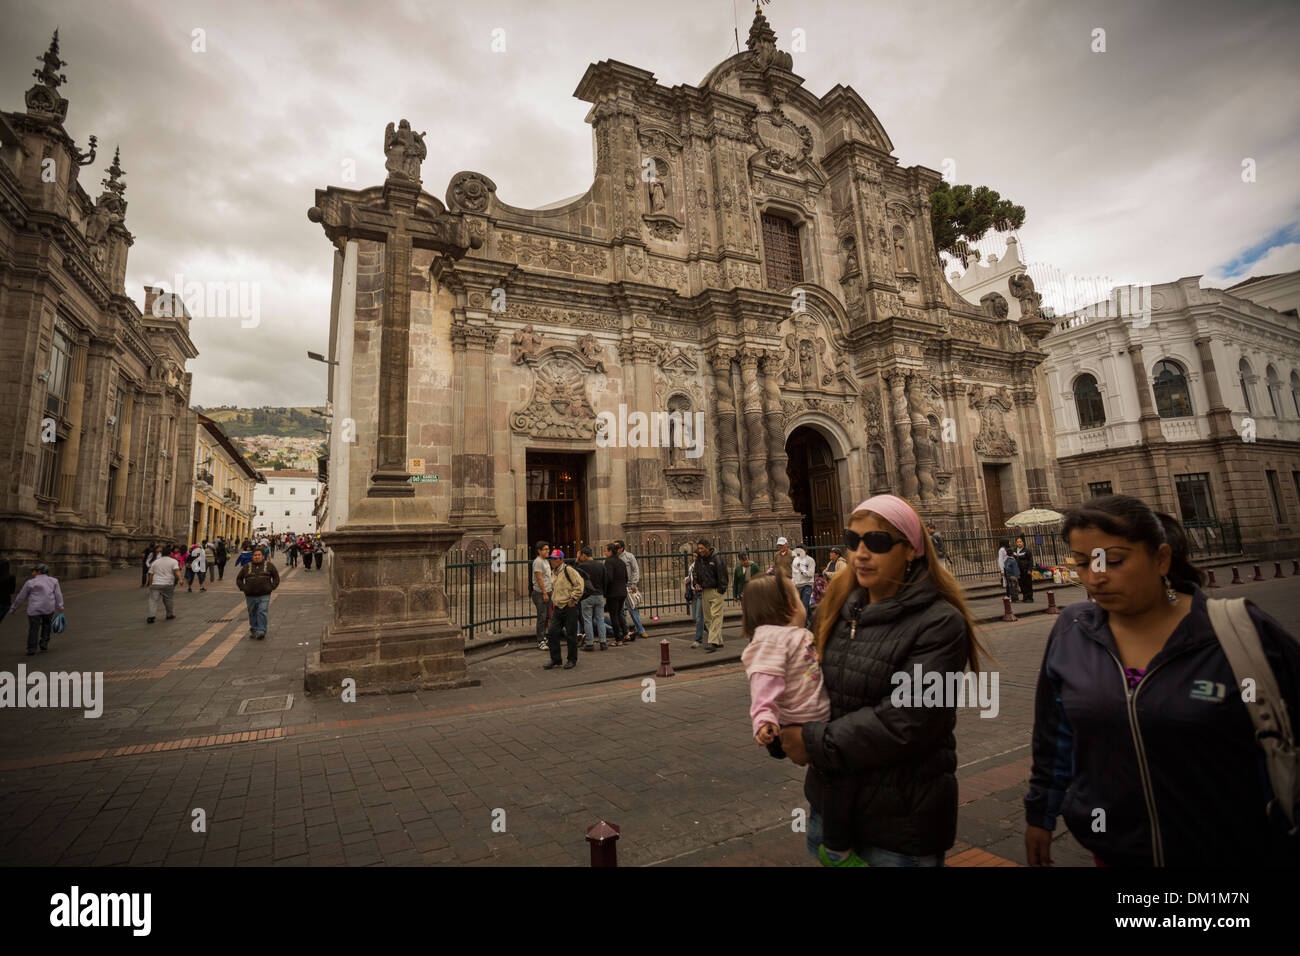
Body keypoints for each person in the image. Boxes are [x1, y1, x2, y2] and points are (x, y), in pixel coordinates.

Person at [1025, 495, 1300, 867]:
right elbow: (1054, 735)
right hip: (1116, 850)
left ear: (1161, 559)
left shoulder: (1238, 631)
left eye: (1114, 561)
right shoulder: (1072, 630)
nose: (1095, 577)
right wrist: (1041, 814)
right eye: (1081, 563)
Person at [779, 494, 986, 866]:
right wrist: (779, 726)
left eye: (876, 542)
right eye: (853, 540)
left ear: (910, 550)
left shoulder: (941, 623)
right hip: (831, 809)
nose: (860, 552)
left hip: (900, 821)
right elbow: (807, 686)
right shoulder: (835, 611)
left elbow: (912, 721)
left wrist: (808, 742)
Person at [741, 570, 863, 866]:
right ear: (789, 607)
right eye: (797, 597)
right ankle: (836, 850)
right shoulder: (772, 639)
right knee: (836, 783)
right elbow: (763, 684)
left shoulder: (796, 634)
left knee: (833, 780)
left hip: (818, 722)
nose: (803, 602)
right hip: (806, 724)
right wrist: (765, 720)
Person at [7, 563, 65, 655]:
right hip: (48, 607)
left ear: (39, 571)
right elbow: (58, 594)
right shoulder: (54, 581)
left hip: (34, 609)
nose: (32, 572)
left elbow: (21, 596)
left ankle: (31, 648)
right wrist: (60, 606)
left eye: (33, 571)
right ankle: (44, 643)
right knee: (47, 625)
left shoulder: (30, 582)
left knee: (33, 629)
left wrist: (14, 608)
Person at [543, 549, 583, 670]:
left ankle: (572, 659)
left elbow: (579, 586)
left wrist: (573, 599)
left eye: (555, 559)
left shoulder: (568, 570)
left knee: (571, 635)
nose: (552, 561)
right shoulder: (553, 572)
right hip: (558, 607)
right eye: (551, 559)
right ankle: (555, 659)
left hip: (569, 607)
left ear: (561, 559)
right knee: (552, 633)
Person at [236, 546, 280, 640]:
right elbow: (239, 579)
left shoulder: (269, 566)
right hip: (250, 595)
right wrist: (244, 588)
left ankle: (261, 631)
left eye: (259, 555)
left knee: (262, 612)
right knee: (252, 613)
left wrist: (271, 587)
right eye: (255, 555)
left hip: (264, 594)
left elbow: (276, 577)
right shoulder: (247, 566)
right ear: (252, 556)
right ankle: (254, 629)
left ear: (262, 556)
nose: (257, 557)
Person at [693, 538, 728, 654]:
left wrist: (721, 590)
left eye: (702, 548)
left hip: (715, 590)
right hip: (704, 591)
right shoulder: (699, 559)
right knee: (708, 618)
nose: (700, 551)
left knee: (716, 616)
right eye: (699, 549)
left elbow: (723, 574)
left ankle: (712, 642)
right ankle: (718, 640)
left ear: (708, 548)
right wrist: (696, 582)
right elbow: (695, 573)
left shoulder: (717, 558)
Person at [577, 545, 609, 651]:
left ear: (584, 556)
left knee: (587, 620)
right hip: (599, 595)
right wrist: (603, 592)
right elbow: (606, 580)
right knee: (600, 619)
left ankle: (590, 643)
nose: (580, 557)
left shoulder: (582, 566)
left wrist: (577, 561)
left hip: (587, 596)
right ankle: (603, 642)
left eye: (581, 556)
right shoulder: (601, 565)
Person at [616, 540, 648, 641]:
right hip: (618, 587)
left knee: (633, 609)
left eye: (616, 547)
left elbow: (635, 570)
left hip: (628, 586)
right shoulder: (613, 557)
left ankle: (641, 629)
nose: (614, 549)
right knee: (620, 611)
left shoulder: (629, 556)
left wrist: (634, 583)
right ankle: (626, 631)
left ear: (622, 548)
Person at [145, 546, 181, 624]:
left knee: (153, 600)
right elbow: (176, 571)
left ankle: (151, 616)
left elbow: (150, 573)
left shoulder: (155, 562)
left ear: (161, 553)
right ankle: (169, 614)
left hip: (156, 583)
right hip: (168, 583)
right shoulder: (173, 561)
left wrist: (150, 583)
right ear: (169, 553)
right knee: (168, 599)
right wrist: (180, 579)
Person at [604, 543, 629, 646]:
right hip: (622, 591)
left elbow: (608, 578)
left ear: (610, 551)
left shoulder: (608, 562)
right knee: (618, 614)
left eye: (606, 550)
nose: (605, 553)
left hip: (613, 593)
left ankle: (618, 639)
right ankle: (625, 634)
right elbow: (626, 577)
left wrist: (604, 590)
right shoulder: (621, 562)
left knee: (614, 615)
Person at [530, 540, 552, 651]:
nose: (548, 551)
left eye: (548, 549)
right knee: (542, 617)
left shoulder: (545, 561)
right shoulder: (538, 562)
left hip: (548, 591)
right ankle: (540, 640)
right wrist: (544, 592)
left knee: (547, 615)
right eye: (545, 549)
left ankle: (544, 637)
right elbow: (539, 578)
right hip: (540, 593)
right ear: (539, 551)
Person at [686, 555, 707, 649]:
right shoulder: (692, 566)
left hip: (700, 593)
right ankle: (709, 629)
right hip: (693, 593)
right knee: (695, 617)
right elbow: (691, 577)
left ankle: (698, 640)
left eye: (696, 556)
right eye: (693, 556)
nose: (694, 558)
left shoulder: (703, 565)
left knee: (699, 617)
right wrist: (687, 579)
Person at [791, 545, 816, 618]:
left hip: (806, 587)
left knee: (804, 607)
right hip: (797, 587)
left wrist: (801, 569)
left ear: (805, 551)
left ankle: (803, 627)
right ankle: (812, 621)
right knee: (802, 607)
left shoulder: (810, 560)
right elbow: (794, 574)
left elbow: (811, 574)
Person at [1013, 535, 1035, 603]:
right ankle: (1025, 596)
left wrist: (1029, 569)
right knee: (1021, 584)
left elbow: (1030, 561)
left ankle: (1030, 597)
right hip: (1019, 571)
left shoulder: (1027, 551)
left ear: (1023, 542)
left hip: (1026, 570)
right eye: (1017, 542)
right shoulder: (1014, 551)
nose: (1019, 543)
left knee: (1028, 584)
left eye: (1020, 542)